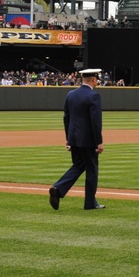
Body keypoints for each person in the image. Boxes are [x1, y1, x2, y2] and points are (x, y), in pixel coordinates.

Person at [49, 68, 106, 210]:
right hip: (88, 140)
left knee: (79, 165)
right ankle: (90, 203)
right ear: (93, 80)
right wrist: (99, 141)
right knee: (92, 169)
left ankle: (58, 188)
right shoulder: (94, 96)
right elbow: (95, 121)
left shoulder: (71, 94)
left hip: (74, 138)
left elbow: (66, 118)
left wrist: (68, 139)